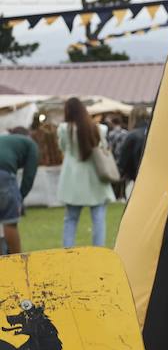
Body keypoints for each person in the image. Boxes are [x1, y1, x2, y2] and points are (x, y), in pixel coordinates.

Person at [56, 97, 115, 248]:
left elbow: (62, 147)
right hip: (95, 177)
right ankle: (98, 250)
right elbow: (104, 147)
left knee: (71, 218)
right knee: (98, 218)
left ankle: (67, 252)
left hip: (72, 179)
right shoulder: (98, 129)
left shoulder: (64, 129)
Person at [0, 126, 39, 255]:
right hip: (3, 174)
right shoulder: (31, 145)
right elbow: (29, 176)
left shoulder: (6, 140)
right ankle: (18, 262)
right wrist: (20, 198)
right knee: (9, 222)